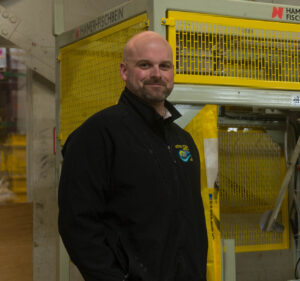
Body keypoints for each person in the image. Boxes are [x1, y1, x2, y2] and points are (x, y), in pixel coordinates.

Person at [58, 31, 208, 281]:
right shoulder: (98, 134)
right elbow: (77, 224)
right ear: (124, 71)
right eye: (145, 65)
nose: (156, 74)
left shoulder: (183, 141)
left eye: (165, 66)